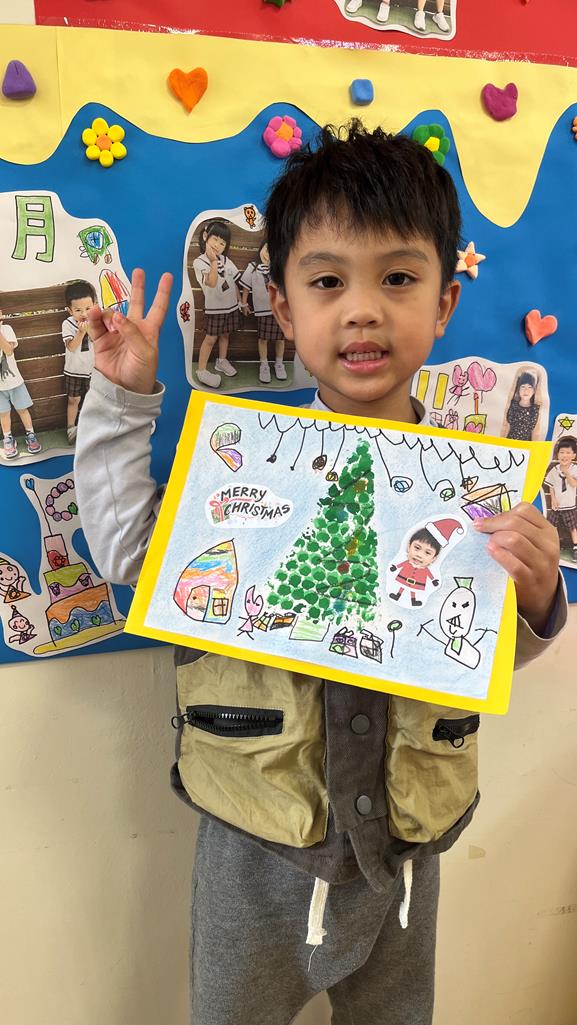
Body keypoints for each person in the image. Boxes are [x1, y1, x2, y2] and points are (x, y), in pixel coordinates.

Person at [75, 121, 566, 1025]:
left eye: (398, 279)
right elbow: (129, 553)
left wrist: (536, 599)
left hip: (408, 844)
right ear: (283, 305)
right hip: (257, 840)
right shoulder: (242, 471)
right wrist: (121, 396)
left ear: (445, 303)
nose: (362, 310)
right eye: (328, 281)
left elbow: (473, 646)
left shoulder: (472, 491)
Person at [192, 220, 242, 389]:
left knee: (225, 334)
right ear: (206, 237)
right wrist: (214, 262)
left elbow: (233, 282)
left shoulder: (227, 261)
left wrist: (241, 302)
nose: (218, 245)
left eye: (222, 243)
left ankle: (221, 361)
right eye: (215, 239)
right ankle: (201, 370)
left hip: (231, 307)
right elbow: (212, 282)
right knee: (210, 339)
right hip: (215, 309)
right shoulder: (199, 262)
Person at [239, 239, 287, 384]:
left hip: (278, 310)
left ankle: (279, 364)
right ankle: (264, 364)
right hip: (261, 310)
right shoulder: (252, 267)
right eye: (267, 249)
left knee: (280, 339)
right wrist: (244, 303)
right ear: (261, 248)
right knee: (263, 339)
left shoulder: (279, 268)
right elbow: (246, 286)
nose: (268, 254)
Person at [0, 310, 42, 459]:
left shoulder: (6, 329)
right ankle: (8, 438)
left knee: (23, 410)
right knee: (3, 414)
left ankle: (30, 434)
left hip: (15, 382)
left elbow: (9, 351)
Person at [62, 281, 97, 443]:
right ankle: (71, 428)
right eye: (78, 310)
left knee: (93, 400)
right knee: (73, 400)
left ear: (94, 306)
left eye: (88, 309)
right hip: (74, 370)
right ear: (70, 310)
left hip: (93, 371)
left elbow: (99, 340)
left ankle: (91, 427)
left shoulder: (96, 322)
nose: (84, 314)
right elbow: (71, 347)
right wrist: (81, 332)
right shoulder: (67, 324)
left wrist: (90, 329)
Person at [544, 436, 577, 562]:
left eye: (568, 453)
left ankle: (575, 547)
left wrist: (566, 472)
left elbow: (573, 484)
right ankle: (553, 546)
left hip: (569, 505)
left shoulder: (574, 469)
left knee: (573, 527)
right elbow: (551, 486)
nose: (564, 455)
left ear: (573, 455)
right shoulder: (554, 470)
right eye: (562, 452)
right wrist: (553, 499)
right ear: (557, 454)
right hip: (557, 505)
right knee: (552, 526)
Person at [505, 370, 541, 442]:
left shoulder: (535, 409)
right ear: (518, 389)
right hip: (509, 442)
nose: (526, 391)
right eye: (523, 387)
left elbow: (535, 432)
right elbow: (507, 425)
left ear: (534, 391)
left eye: (530, 387)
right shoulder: (513, 405)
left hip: (525, 445)